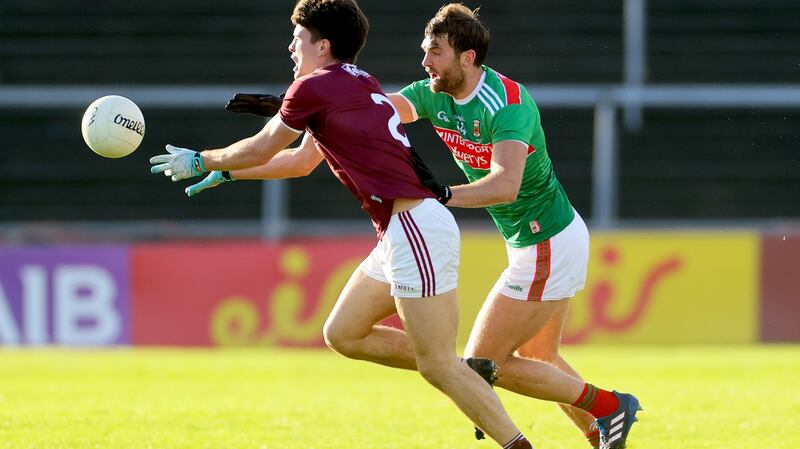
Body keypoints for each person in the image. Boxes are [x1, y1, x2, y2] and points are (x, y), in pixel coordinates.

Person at [188, 3, 643, 449]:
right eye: (424, 51)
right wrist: (291, 113)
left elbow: (505, 186)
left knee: (482, 365)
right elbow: (364, 113)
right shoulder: (431, 92)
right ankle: (601, 426)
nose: (424, 62)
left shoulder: (507, 103)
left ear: (468, 57)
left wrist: (442, 194)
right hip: (523, 239)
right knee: (527, 359)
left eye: (435, 52)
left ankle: (605, 405)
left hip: (548, 238)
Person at [149, 1, 535, 448]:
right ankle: (462, 368)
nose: (290, 47)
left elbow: (260, 147)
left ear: (323, 44)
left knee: (437, 367)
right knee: (344, 333)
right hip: (402, 231)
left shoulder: (312, 88)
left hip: (414, 227)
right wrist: (230, 171)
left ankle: (509, 433)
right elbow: (297, 162)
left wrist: (202, 159)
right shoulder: (359, 81)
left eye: (297, 39)